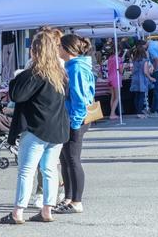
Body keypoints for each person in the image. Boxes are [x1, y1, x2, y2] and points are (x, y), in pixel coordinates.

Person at [0, 29, 69, 224]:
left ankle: (17, 212)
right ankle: (47, 210)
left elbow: (17, 95)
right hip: (57, 129)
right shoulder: (60, 73)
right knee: (50, 170)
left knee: (26, 171)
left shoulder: (35, 73)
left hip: (36, 128)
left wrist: (16, 78)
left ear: (35, 50)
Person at [55, 35, 96, 215]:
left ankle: (77, 201)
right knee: (65, 159)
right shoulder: (74, 66)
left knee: (72, 159)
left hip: (75, 118)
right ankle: (69, 197)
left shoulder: (76, 68)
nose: (57, 49)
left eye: (59, 46)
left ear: (67, 49)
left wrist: (75, 123)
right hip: (72, 117)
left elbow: (80, 98)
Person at [129, 46, 154, 118]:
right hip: (142, 79)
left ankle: (137, 111)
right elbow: (145, 72)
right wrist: (150, 78)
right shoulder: (145, 60)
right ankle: (140, 113)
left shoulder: (134, 60)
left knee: (136, 96)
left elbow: (132, 71)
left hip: (135, 79)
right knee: (141, 96)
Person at [106, 51, 123, 120]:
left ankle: (112, 113)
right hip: (116, 78)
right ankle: (112, 114)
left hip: (110, 78)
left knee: (112, 97)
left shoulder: (109, 58)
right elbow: (121, 70)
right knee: (117, 97)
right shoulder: (119, 59)